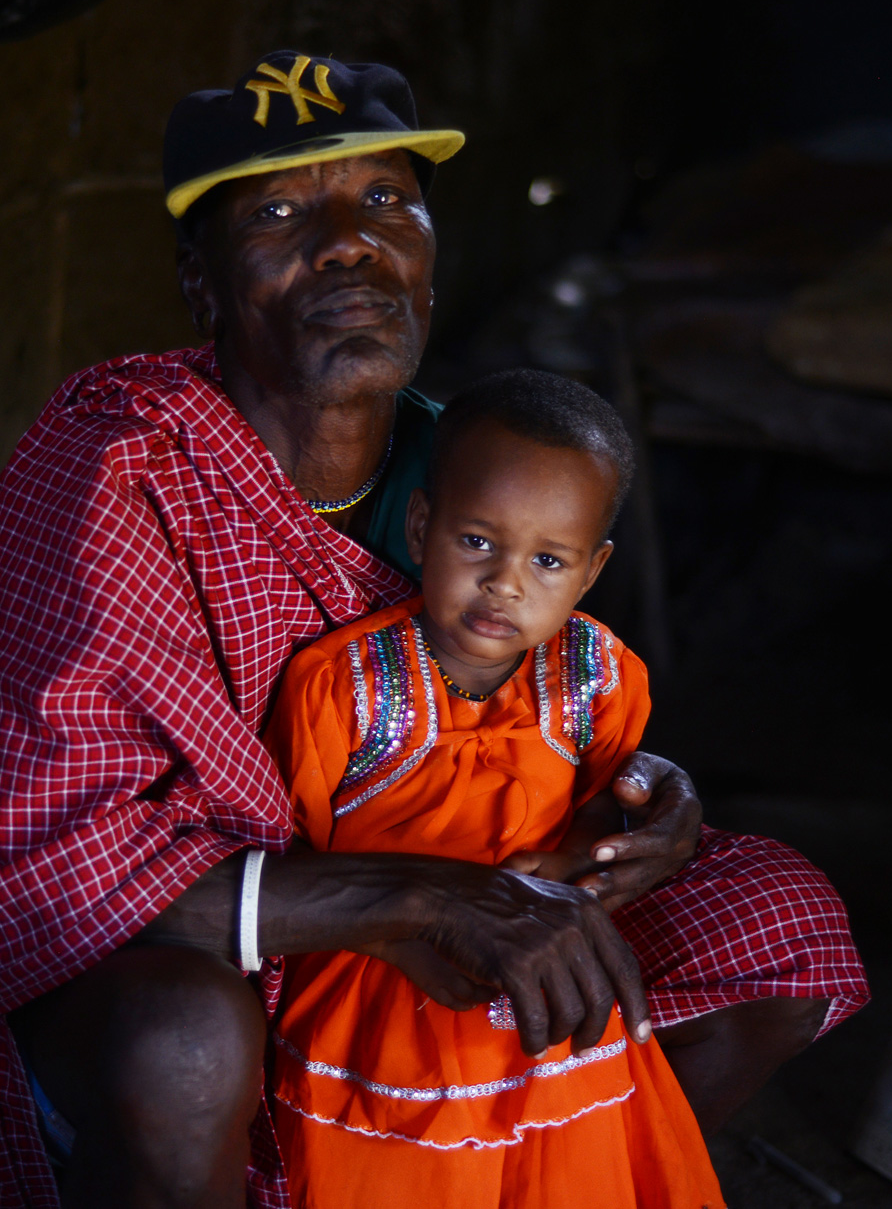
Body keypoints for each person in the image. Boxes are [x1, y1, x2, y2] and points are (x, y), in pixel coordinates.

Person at [0, 51, 868, 1209]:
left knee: (775, 920)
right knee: (183, 1040)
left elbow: (529, 705)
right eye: (280, 212)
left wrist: (633, 792)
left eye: (386, 200)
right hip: (213, 951)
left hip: (445, 917)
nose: (347, 240)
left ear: (427, 260)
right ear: (201, 284)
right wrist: (412, 899)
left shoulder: (471, 468)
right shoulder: (122, 471)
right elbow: (51, 857)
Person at [265, 369, 722, 1208]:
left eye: (548, 560)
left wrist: (583, 862)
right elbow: (297, 847)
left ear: (591, 573)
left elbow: (598, 817)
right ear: (421, 524)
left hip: (541, 1001)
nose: (507, 582)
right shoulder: (342, 685)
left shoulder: (599, 678)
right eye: (478, 541)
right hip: (380, 994)